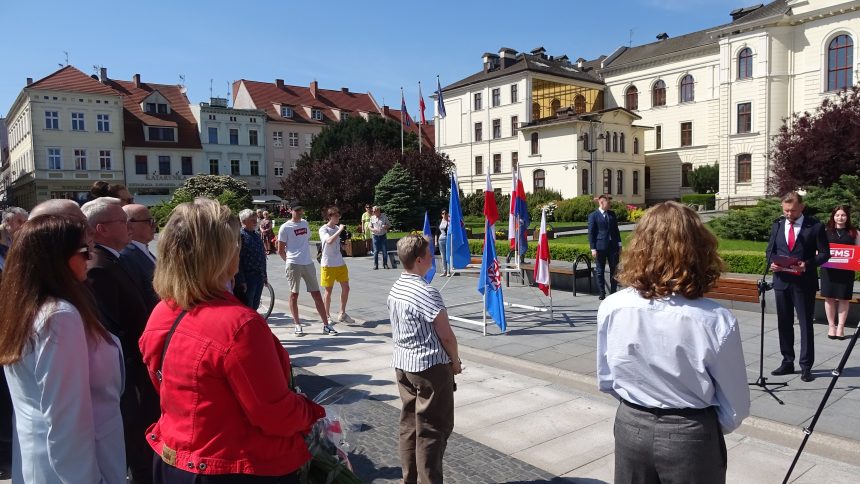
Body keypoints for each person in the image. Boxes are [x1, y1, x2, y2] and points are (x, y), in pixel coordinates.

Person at [139, 198, 325, 483]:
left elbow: (163, 383)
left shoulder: (163, 310)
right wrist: (313, 411)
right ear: (222, 255)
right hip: (235, 465)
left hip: (175, 456)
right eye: (235, 244)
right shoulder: (239, 324)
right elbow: (273, 413)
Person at [597, 201, 750, 483]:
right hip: (689, 431)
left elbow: (607, 379)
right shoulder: (714, 320)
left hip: (632, 424)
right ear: (698, 249)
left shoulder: (612, 306)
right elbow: (736, 407)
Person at [0, 215, 126, 483]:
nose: (90, 258)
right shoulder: (59, 316)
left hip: (43, 459)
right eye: (84, 251)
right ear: (55, 260)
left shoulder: (24, 308)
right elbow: (66, 416)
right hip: (76, 467)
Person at [81, 197, 159, 484]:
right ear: (101, 229)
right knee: (136, 440)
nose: (127, 227)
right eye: (121, 222)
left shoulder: (113, 258)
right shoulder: (99, 267)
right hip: (129, 372)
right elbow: (114, 328)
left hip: (136, 367)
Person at [388, 234, 461, 484]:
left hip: (403, 364)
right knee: (432, 430)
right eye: (429, 254)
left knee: (409, 426)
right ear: (419, 260)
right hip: (429, 367)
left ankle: (409, 479)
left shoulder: (397, 286)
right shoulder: (426, 292)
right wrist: (456, 361)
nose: (433, 257)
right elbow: (447, 336)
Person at [766, 191, 830, 383]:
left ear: (801, 207)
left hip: (803, 283)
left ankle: (806, 366)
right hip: (781, 282)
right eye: (785, 210)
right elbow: (770, 250)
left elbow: (825, 254)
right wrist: (772, 263)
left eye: (792, 210)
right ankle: (787, 361)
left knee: (805, 324)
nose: (788, 214)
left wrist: (807, 264)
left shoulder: (815, 226)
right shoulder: (777, 225)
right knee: (784, 324)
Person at [278, 202, 338, 336]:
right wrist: (289, 262)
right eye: (297, 210)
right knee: (294, 294)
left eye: (301, 210)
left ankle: (326, 325)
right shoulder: (284, 227)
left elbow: (305, 240)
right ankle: (297, 324)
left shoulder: (305, 223)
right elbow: (280, 250)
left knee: (316, 293)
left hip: (308, 263)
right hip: (293, 264)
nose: (299, 212)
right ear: (291, 211)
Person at [820, 205, 858, 340]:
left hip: (846, 272)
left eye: (843, 215)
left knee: (844, 298)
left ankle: (841, 326)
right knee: (829, 298)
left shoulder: (854, 233)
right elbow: (819, 251)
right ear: (833, 216)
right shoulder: (825, 232)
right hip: (829, 271)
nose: (840, 218)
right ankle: (831, 326)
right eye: (837, 215)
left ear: (847, 217)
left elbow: (858, 252)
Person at [319, 206, 356, 326]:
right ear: (329, 217)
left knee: (346, 288)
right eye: (336, 216)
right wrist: (339, 230)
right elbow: (328, 241)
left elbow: (340, 246)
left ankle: (342, 313)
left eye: (339, 216)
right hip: (328, 264)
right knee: (328, 291)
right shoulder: (323, 229)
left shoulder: (337, 228)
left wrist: (345, 242)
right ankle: (327, 315)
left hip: (339, 262)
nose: (338, 218)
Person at [121, 204, 159, 312]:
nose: (154, 225)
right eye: (149, 221)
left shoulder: (143, 250)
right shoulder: (126, 255)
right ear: (129, 225)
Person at [588, 194, 622, 300]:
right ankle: (602, 293)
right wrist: (593, 248)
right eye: (608, 202)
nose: (610, 204)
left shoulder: (612, 214)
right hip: (600, 248)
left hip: (613, 247)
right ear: (602, 202)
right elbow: (591, 233)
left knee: (614, 270)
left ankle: (613, 292)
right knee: (600, 271)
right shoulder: (593, 215)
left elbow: (616, 230)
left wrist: (619, 245)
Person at [235, 209, 268, 311]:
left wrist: (265, 275)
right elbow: (237, 260)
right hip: (248, 277)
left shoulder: (256, 235)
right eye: (252, 220)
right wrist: (241, 280)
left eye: (255, 219)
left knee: (255, 305)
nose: (255, 222)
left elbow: (262, 256)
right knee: (247, 306)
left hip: (259, 276)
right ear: (243, 221)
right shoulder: (240, 236)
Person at [0, 207, 27, 272]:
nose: (24, 225)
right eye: (19, 221)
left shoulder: (25, 235)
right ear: (7, 221)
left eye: (25, 222)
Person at [370, 205, 392, 270]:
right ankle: (375, 265)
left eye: (374, 211)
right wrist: (373, 229)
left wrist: (385, 226)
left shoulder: (384, 216)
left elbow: (389, 225)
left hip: (383, 236)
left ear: (378, 211)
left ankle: (385, 264)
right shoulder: (372, 217)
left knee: (384, 251)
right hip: (375, 236)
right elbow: (369, 226)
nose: (373, 212)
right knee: (376, 251)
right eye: (373, 211)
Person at [437, 209, 451, 277]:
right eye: (443, 213)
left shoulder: (449, 221)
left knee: (448, 255)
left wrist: (449, 220)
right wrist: (435, 242)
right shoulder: (440, 221)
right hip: (441, 239)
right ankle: (444, 271)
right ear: (441, 214)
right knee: (443, 256)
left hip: (447, 239)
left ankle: (448, 271)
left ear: (447, 214)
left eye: (445, 213)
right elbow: (436, 232)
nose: (444, 215)